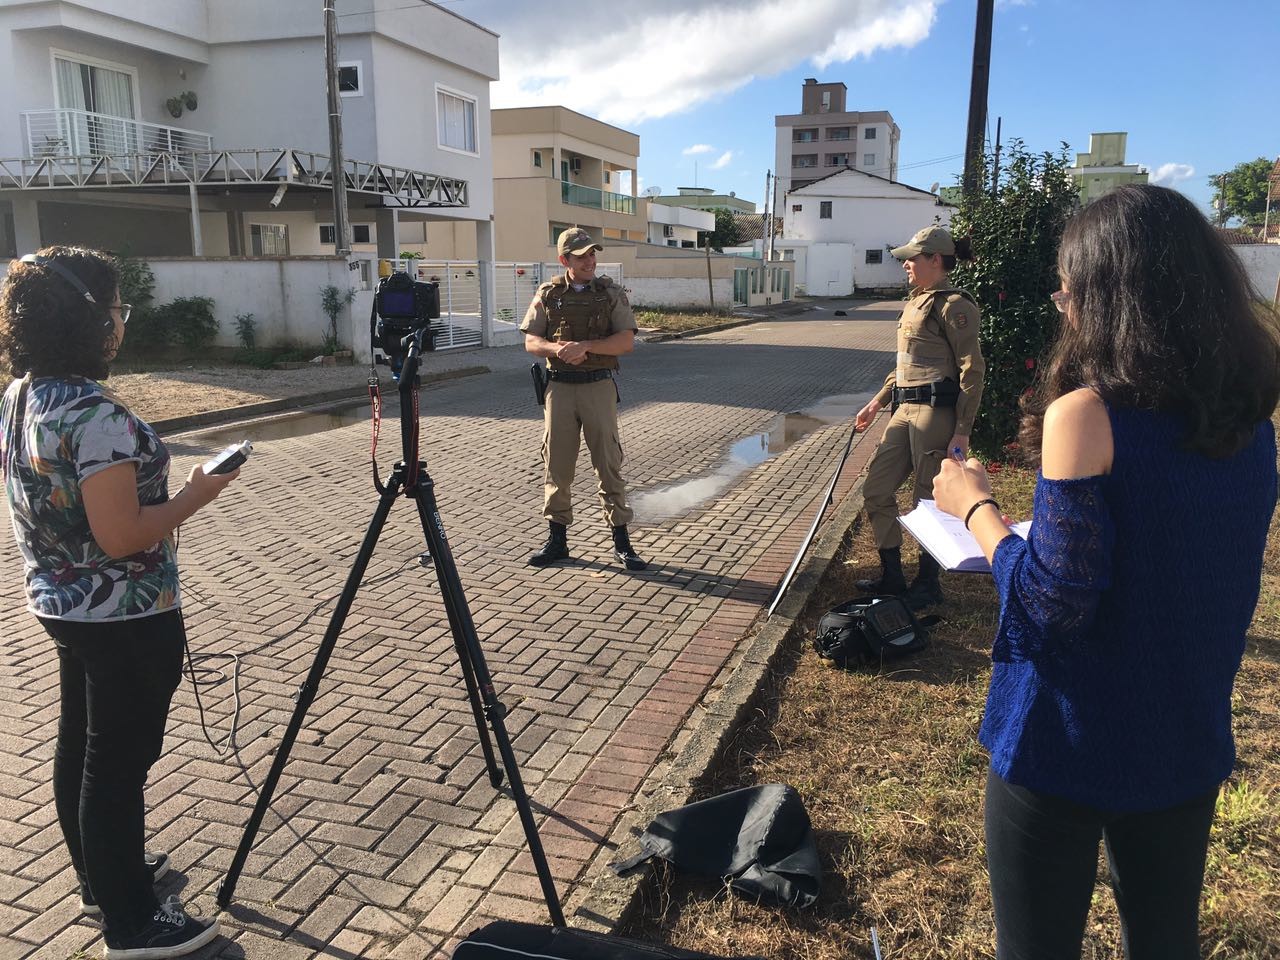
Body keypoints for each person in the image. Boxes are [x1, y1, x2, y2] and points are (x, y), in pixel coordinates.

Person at [931, 185, 1279, 960]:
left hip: (1067, 738)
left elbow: (1054, 605)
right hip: (1185, 734)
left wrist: (976, 510)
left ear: (1105, 295)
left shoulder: (1086, 414)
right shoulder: (1247, 415)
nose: (1061, 303)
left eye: (1068, 285)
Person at [0, 247, 238, 958]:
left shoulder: (22, 395)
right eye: (115, 309)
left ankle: (102, 879)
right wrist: (199, 491)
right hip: (123, 614)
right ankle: (133, 922)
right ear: (89, 319)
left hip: (60, 604)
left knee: (83, 745)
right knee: (117, 764)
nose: (120, 324)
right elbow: (120, 534)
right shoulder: (94, 413)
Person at [853, 224, 984, 609]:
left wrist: (962, 430)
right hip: (903, 409)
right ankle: (892, 577)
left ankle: (928, 582)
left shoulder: (953, 305)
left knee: (927, 500)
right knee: (876, 489)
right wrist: (877, 401)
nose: (907, 263)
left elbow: (972, 369)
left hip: (935, 413)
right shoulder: (915, 302)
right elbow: (904, 365)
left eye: (913, 257)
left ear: (935, 260)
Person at [520, 227, 646, 571]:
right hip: (559, 387)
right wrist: (558, 349)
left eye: (592, 254)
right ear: (565, 260)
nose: (590, 261)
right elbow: (532, 341)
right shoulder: (548, 293)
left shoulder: (610, 293)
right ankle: (557, 541)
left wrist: (586, 347)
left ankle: (622, 541)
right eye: (581, 256)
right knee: (556, 466)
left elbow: (625, 342)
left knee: (608, 462)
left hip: (597, 386)